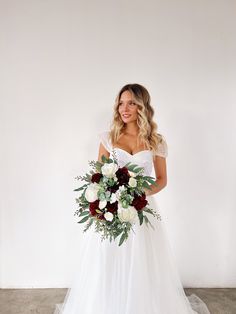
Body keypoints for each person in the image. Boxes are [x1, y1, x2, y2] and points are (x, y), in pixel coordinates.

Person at [54, 83, 211, 314]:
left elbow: (162, 179)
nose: (124, 108)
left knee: (141, 262)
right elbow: (98, 177)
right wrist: (107, 200)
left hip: (140, 210)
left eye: (131, 103)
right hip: (111, 210)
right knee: (108, 260)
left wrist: (140, 193)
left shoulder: (155, 141)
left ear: (142, 107)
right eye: (121, 103)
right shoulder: (108, 138)